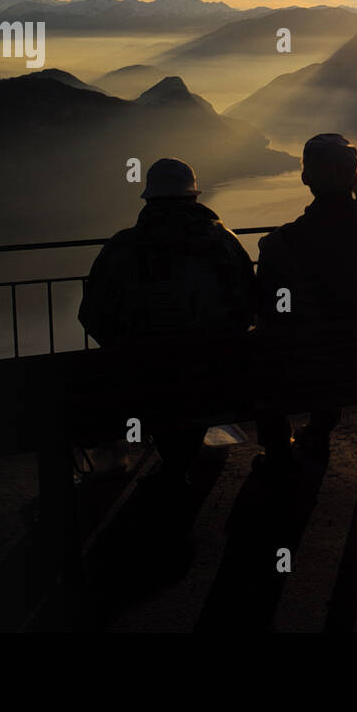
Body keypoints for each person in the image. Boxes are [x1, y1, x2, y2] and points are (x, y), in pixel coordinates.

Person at [78, 157, 255, 486]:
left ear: (149, 199)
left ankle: (174, 464)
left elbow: (91, 314)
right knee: (190, 386)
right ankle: (179, 462)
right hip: (216, 382)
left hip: (142, 383)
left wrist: (127, 349)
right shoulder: (225, 244)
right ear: (194, 198)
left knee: (156, 387)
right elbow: (249, 308)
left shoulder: (122, 248)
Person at [254, 133, 357, 475]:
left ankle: (281, 450)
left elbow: (269, 313)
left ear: (305, 179)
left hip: (309, 369)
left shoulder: (280, 245)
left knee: (267, 354)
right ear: (354, 175)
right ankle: (317, 432)